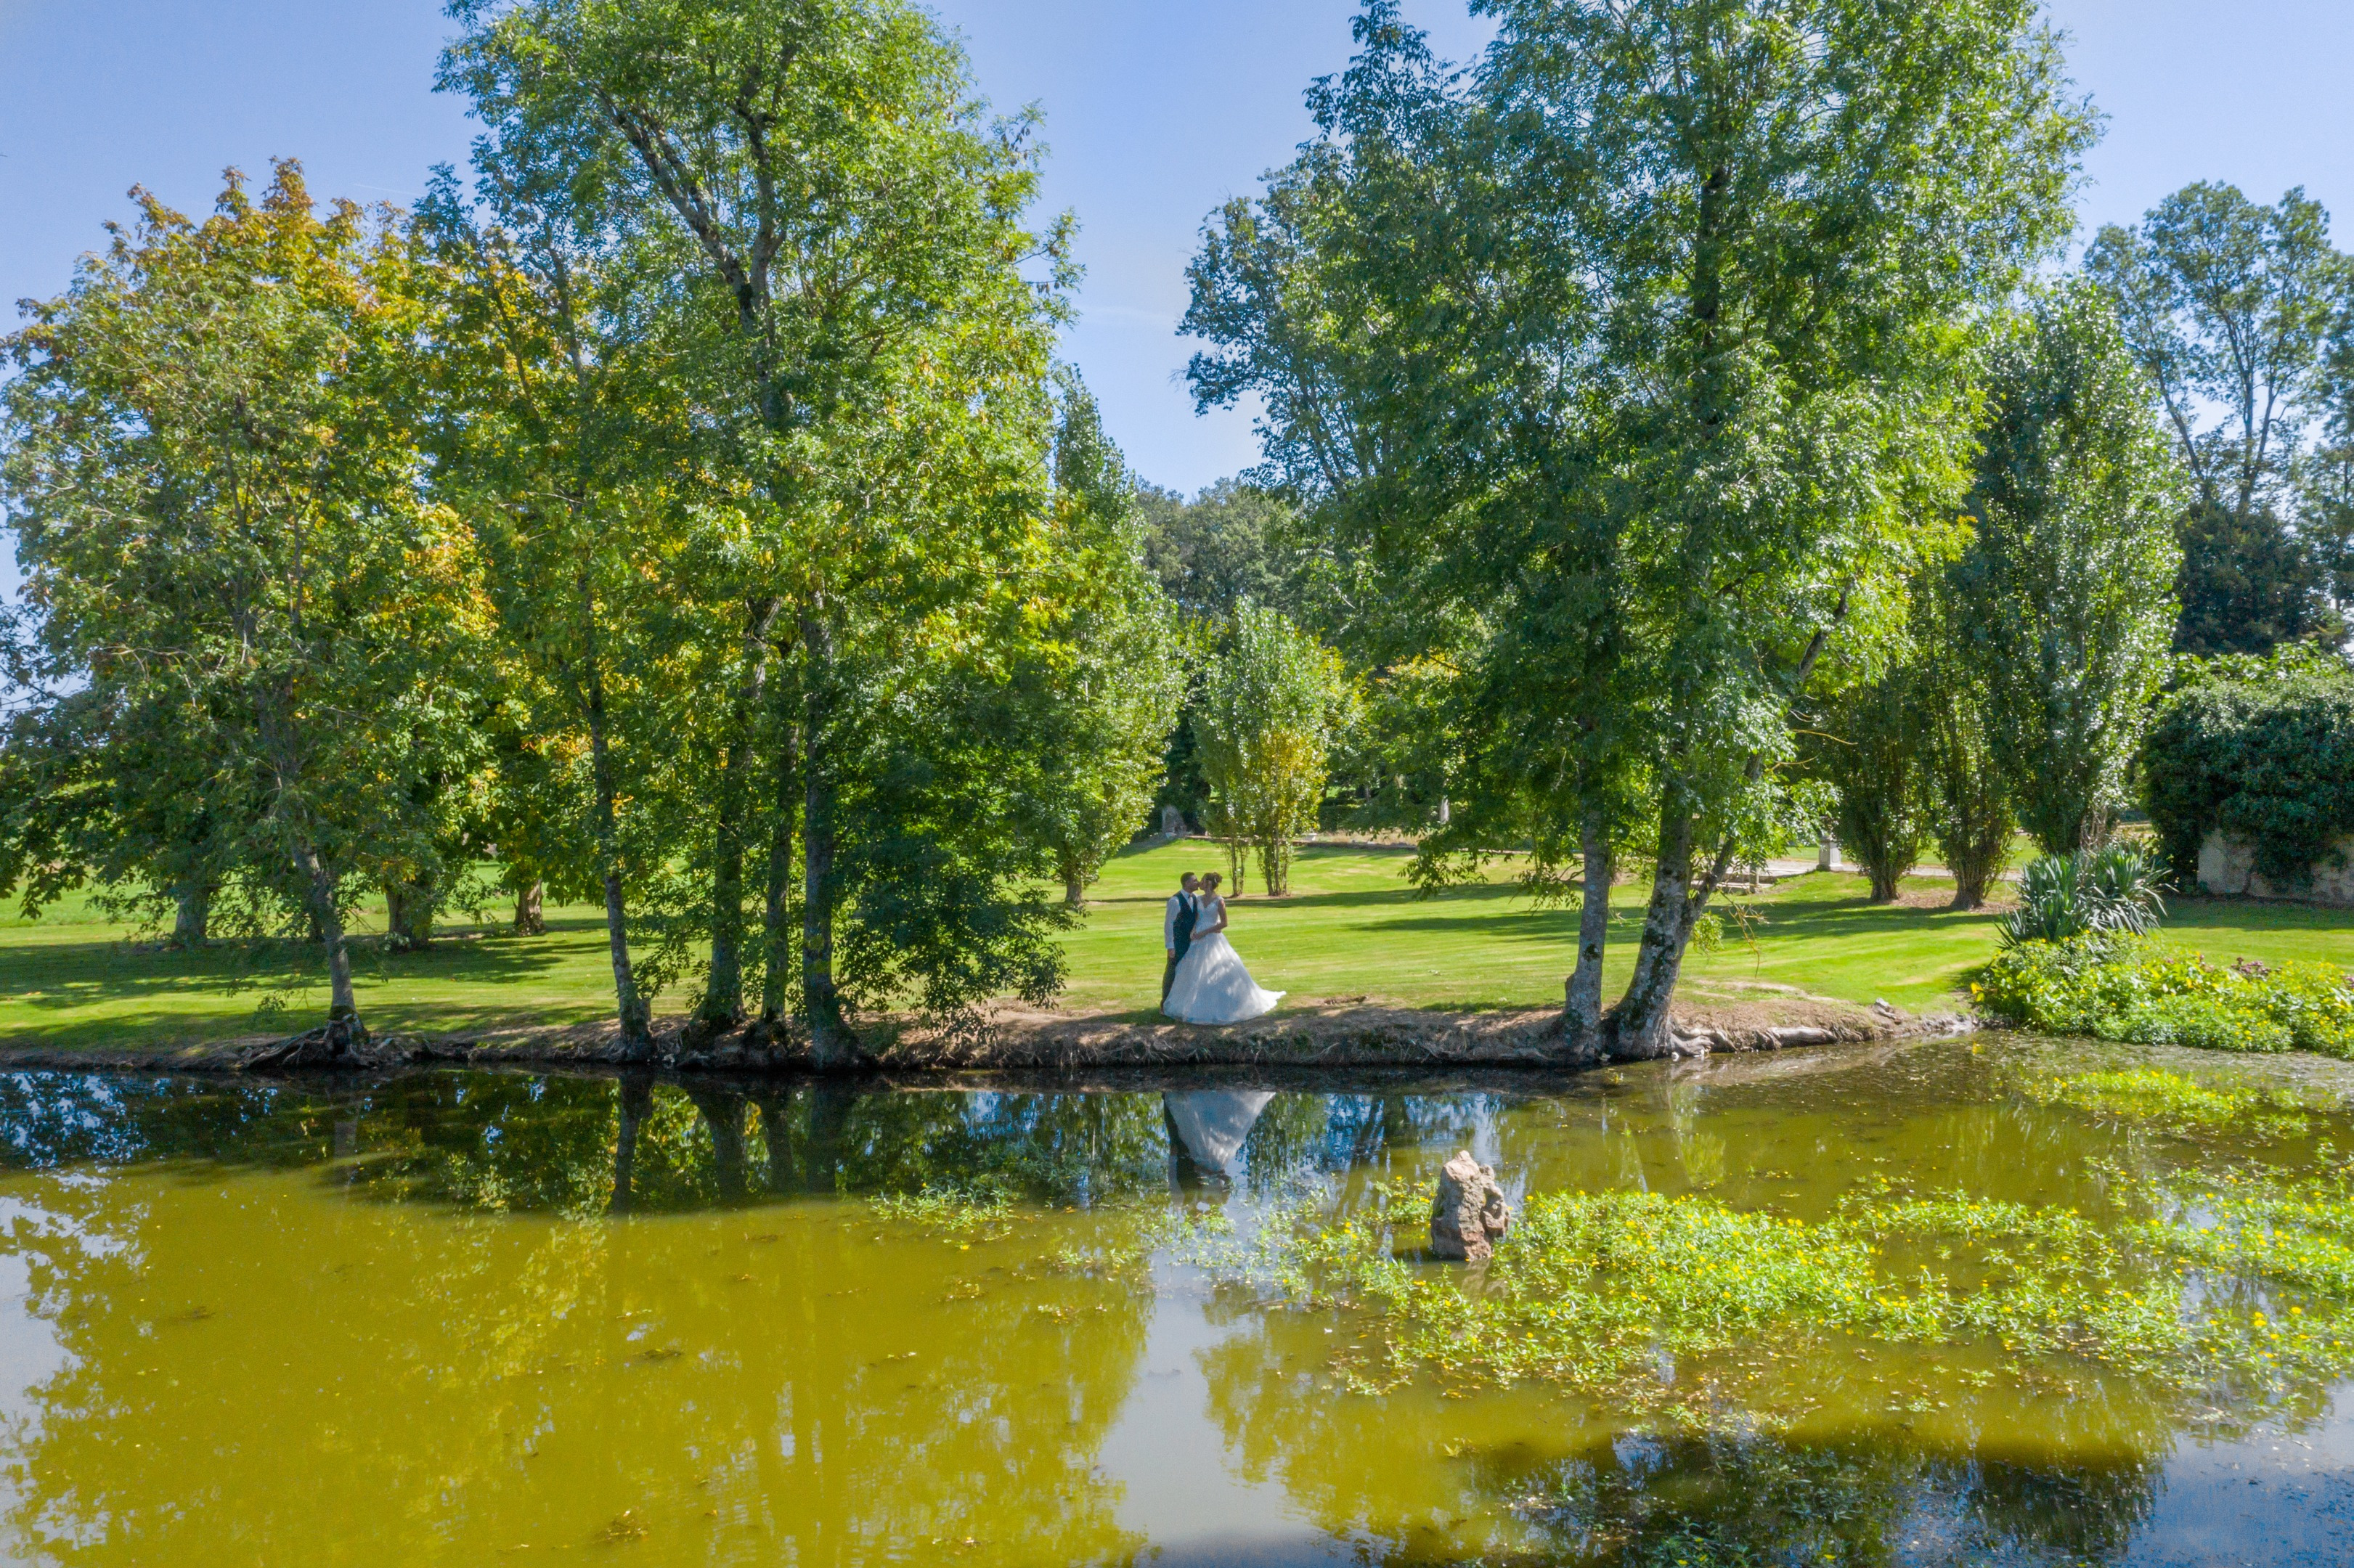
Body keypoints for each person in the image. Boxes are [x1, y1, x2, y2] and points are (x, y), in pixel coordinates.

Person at [1162, 871, 1284, 1024]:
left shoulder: (1219, 901)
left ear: (1209, 884)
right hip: (1197, 939)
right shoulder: (1197, 899)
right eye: (1196, 880)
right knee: (1192, 971)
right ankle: (1185, 1003)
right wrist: (1194, 930)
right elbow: (1196, 917)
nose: (1199, 882)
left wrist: (1205, 932)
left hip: (1212, 937)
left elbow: (1224, 923)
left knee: (1215, 969)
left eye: (1202, 880)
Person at [1162, 871, 1200, 1005]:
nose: (1198, 883)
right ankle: (1165, 1003)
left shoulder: (1195, 898)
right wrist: (1170, 946)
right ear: (1187, 883)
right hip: (1178, 943)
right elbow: (1168, 925)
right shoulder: (1175, 901)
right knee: (1172, 973)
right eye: (1195, 881)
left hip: (1192, 943)